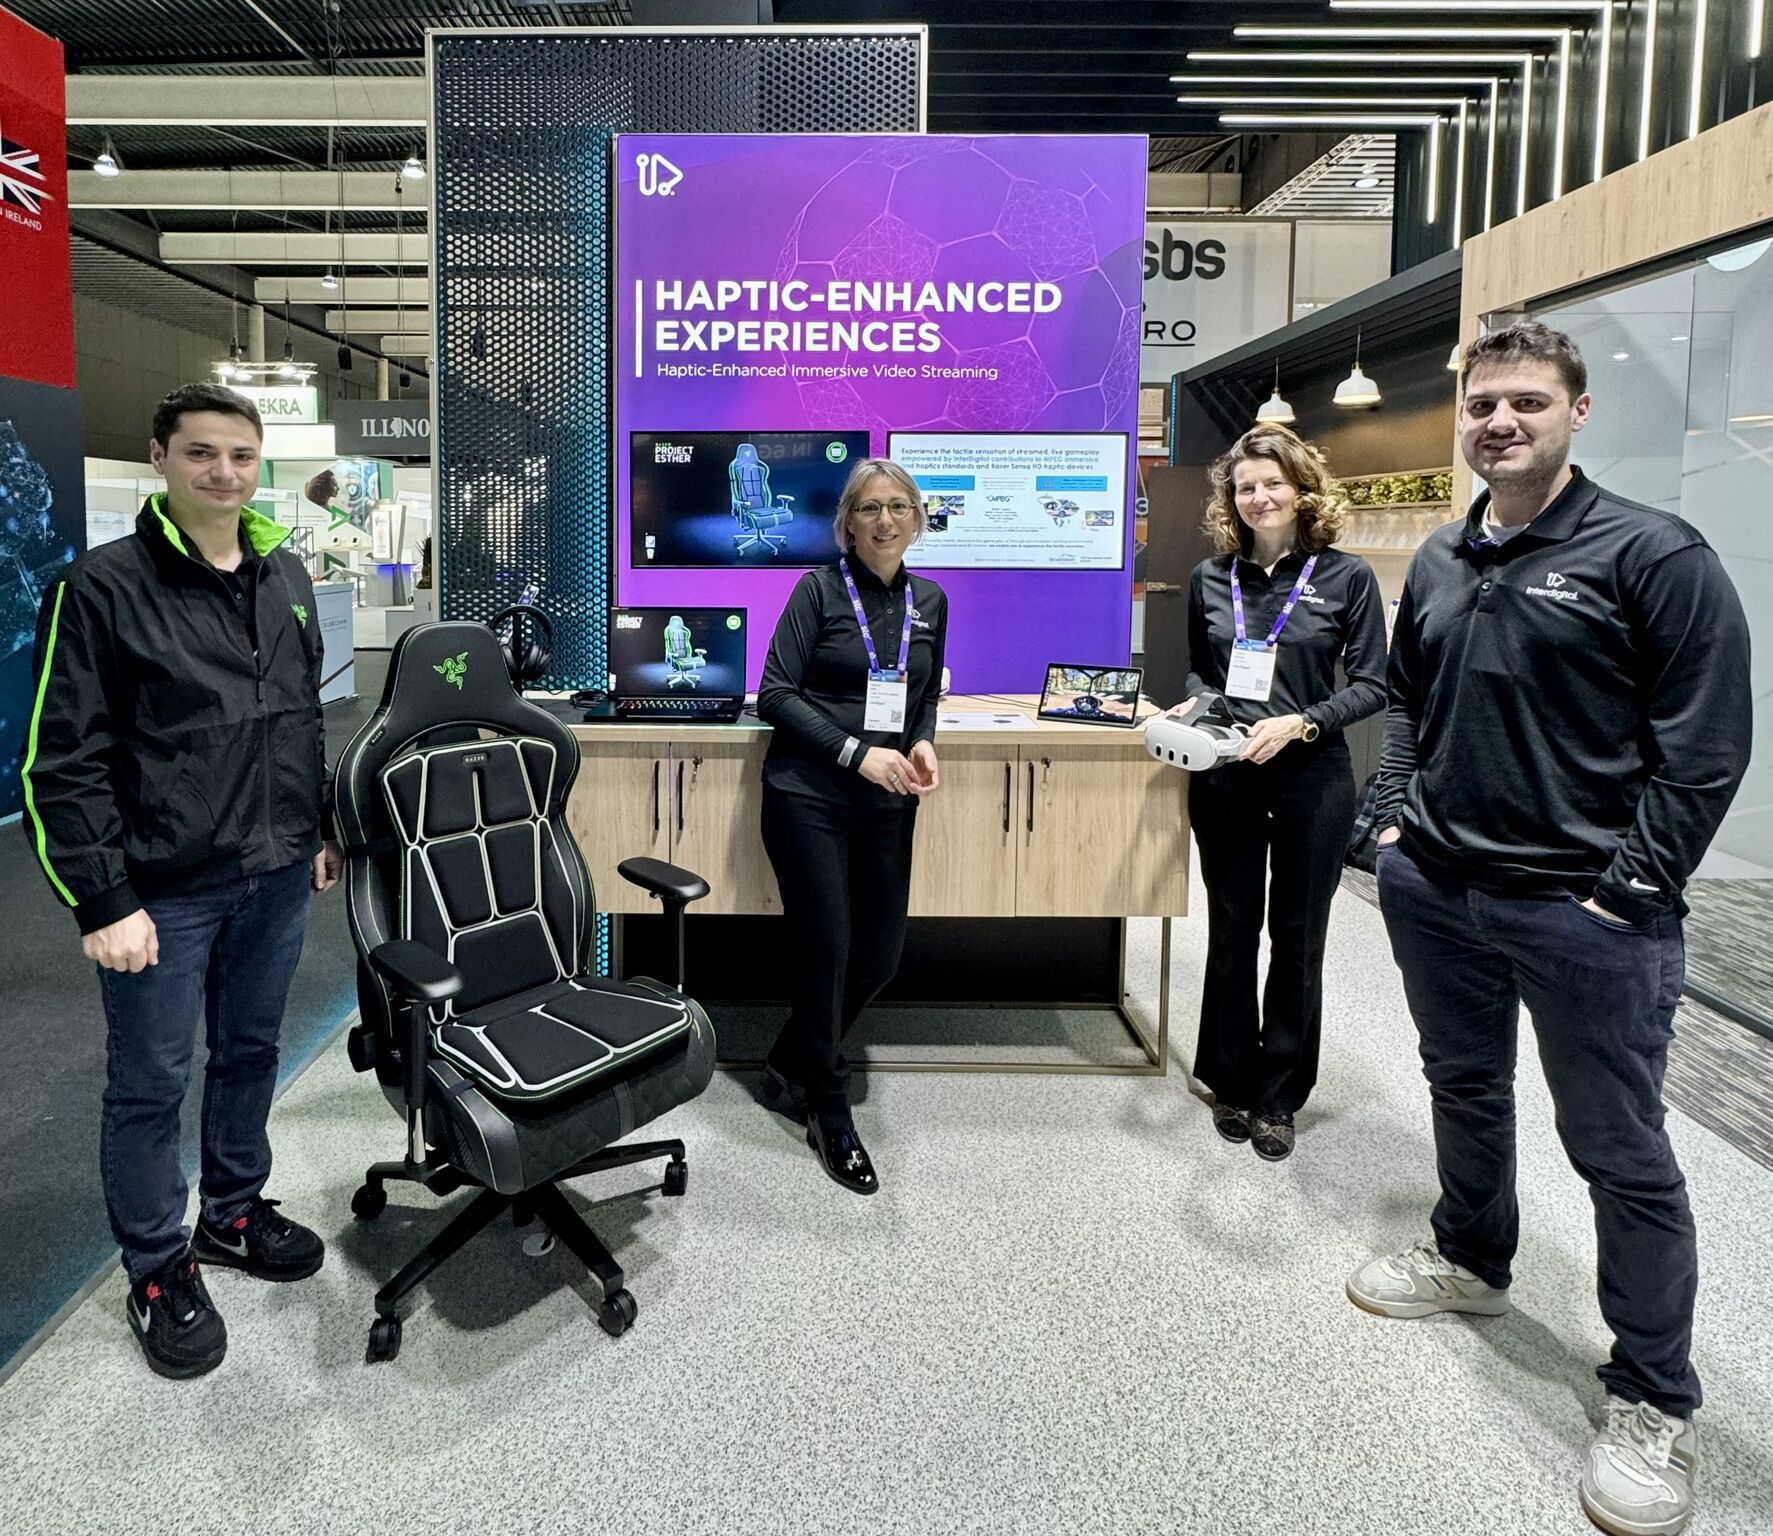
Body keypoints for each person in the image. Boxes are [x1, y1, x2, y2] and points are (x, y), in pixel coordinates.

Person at [1347, 323, 1751, 1536]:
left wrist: (1629, 889)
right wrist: (1392, 820)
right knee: (1464, 1086)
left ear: (1577, 412)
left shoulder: (1654, 554)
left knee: (1619, 1150)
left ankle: (1653, 1395)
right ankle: (1472, 1259)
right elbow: (1411, 700)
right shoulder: (1442, 554)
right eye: (1482, 405)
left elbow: (1704, 748)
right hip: (1439, 889)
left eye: (1527, 401)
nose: (1500, 422)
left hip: (1588, 917)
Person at [21, 383, 342, 1379]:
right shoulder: (101, 589)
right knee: (151, 1081)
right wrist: (102, 898)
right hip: (163, 889)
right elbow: (61, 761)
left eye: (241, 455)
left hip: (274, 872)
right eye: (202, 453)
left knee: (249, 1052)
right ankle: (158, 1267)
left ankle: (232, 1212)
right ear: (160, 457)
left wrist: (314, 828)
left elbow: (301, 716)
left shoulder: (285, 576)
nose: (224, 473)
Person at [1173, 425, 1387, 1160]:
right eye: (1244, 487)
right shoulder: (1210, 577)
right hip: (1226, 770)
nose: (1258, 497)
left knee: (1297, 937)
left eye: (1271, 483)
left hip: (1311, 775)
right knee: (1232, 927)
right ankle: (1229, 1078)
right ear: (1229, 499)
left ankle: (1279, 1095)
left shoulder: (1346, 577)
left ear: (1301, 490)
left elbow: (1373, 683)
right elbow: (1199, 670)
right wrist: (1199, 703)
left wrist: (1303, 722)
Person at [754, 458, 947, 1195]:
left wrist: (922, 741)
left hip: (888, 798)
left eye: (898, 506)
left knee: (880, 955)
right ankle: (827, 1107)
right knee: (828, 948)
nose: (884, 519)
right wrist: (854, 753)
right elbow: (775, 693)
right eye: (869, 507)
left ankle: (789, 1057)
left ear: (916, 518)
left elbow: (924, 698)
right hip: (808, 793)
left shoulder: (931, 601)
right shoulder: (818, 590)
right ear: (848, 523)